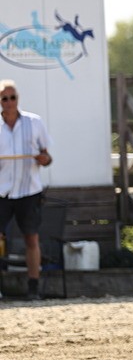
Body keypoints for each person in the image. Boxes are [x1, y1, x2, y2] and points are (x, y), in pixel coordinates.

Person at [0, 80, 53, 300]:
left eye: (13, 97)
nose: (9, 102)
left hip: (29, 190)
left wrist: (44, 159)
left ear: (18, 99)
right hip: (2, 191)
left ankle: (33, 287)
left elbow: (47, 155)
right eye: (5, 98)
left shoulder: (34, 122)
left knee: (31, 238)